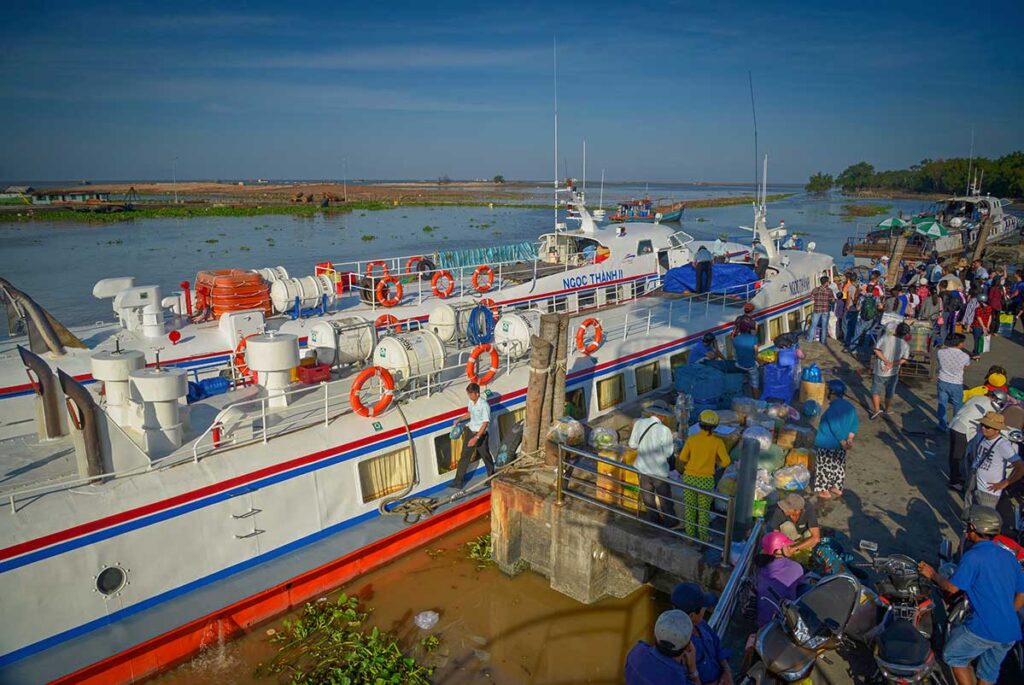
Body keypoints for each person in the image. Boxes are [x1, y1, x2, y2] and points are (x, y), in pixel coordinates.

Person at [918, 506, 1024, 685]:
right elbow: (1021, 592)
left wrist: (932, 574)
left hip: (983, 627)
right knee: (988, 672)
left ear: (975, 527)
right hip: (1010, 631)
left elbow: (952, 588)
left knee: (953, 655)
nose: (966, 531)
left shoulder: (973, 556)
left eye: (968, 526)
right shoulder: (1009, 558)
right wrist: (1007, 612)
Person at [676, 411, 731, 541]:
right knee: (703, 511)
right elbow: (726, 461)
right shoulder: (718, 442)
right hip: (706, 480)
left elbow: (683, 457)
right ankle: (703, 537)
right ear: (715, 426)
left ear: (700, 424)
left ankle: (689, 536)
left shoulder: (692, 439)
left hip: (689, 478)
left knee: (690, 508)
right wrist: (717, 464)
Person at [671, 583, 733, 685]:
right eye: (704, 607)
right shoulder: (679, 648)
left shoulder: (701, 624)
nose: (706, 609)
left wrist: (726, 671)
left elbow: (717, 646)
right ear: (691, 615)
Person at [948, 389, 1008, 490]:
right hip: (963, 429)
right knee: (957, 457)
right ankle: (954, 482)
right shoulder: (991, 408)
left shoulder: (977, 397)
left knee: (953, 454)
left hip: (954, 424)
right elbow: (993, 424)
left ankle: (955, 477)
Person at [624, 610, 699, 685]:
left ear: (654, 634)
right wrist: (693, 671)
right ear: (688, 647)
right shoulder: (678, 679)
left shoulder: (637, 652)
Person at [628, 413, 677, 527]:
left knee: (647, 496)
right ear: (663, 416)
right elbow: (668, 453)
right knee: (664, 498)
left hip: (642, 467)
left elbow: (632, 444)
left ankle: (653, 520)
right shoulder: (665, 430)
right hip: (659, 471)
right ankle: (670, 522)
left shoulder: (639, 423)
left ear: (651, 413)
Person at [813, 380, 858, 499]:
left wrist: (842, 441)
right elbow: (854, 424)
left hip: (828, 443)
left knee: (824, 466)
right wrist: (849, 439)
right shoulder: (850, 407)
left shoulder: (833, 409)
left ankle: (824, 490)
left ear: (832, 393)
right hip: (841, 445)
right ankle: (836, 487)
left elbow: (834, 426)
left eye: (828, 390)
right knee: (838, 466)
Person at [968, 412, 1023, 510]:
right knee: (969, 509)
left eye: (988, 427)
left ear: (997, 430)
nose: (983, 428)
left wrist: (1005, 483)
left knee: (984, 518)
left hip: (988, 491)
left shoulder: (1003, 446)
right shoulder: (980, 436)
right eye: (983, 425)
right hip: (974, 480)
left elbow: (1021, 468)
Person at [754, 532, 805, 627]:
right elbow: (800, 583)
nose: (790, 547)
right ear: (777, 550)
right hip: (784, 624)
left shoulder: (759, 567)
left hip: (761, 621)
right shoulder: (796, 567)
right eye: (787, 546)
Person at [451, 383, 496, 489]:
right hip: (470, 431)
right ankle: (458, 482)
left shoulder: (484, 405)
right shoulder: (471, 402)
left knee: (486, 456)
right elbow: (470, 413)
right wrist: (460, 419)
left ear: (477, 393)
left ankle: (491, 478)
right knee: (464, 457)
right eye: (468, 394)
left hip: (480, 435)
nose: (469, 397)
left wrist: (476, 438)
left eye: (471, 394)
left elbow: (485, 423)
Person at [870, 322, 910, 419]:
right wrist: (892, 364)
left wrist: (885, 361)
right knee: (890, 391)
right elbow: (904, 359)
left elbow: (876, 349)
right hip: (893, 372)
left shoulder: (885, 338)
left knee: (875, 390)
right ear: (905, 334)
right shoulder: (905, 345)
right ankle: (887, 409)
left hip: (880, 370)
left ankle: (876, 409)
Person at [767, 494, 821, 564]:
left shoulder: (808, 509)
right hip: (788, 540)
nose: (783, 508)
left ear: (797, 511)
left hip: (804, 539)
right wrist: (781, 550)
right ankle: (793, 558)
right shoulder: (779, 511)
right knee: (787, 526)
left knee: (809, 534)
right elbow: (776, 535)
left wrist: (794, 549)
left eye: (787, 508)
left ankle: (805, 557)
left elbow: (816, 538)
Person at [936, 334, 970, 432]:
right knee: (957, 406)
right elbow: (966, 367)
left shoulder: (940, 352)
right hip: (956, 383)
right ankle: (955, 427)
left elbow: (940, 361)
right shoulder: (965, 356)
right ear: (959, 344)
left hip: (942, 380)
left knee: (942, 403)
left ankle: (942, 425)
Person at [732, 328, 759, 398]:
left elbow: (734, 353)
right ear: (748, 329)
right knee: (755, 383)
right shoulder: (754, 338)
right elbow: (756, 353)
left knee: (740, 380)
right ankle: (757, 402)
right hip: (751, 365)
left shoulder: (735, 339)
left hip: (739, 365)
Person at [807, 275, 834, 344]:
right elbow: (832, 300)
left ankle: (809, 340)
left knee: (813, 325)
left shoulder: (815, 289)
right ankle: (823, 341)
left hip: (817, 310)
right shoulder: (829, 290)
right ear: (826, 282)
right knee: (824, 326)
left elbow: (811, 298)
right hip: (825, 310)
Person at [842, 272, 862, 352]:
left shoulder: (850, 287)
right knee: (853, 326)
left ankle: (846, 341)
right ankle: (852, 341)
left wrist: (846, 306)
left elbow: (848, 298)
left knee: (845, 325)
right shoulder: (859, 286)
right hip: (856, 309)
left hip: (850, 308)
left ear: (850, 279)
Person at [970, 293, 992, 360]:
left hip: (977, 326)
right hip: (985, 326)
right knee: (981, 340)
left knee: (976, 340)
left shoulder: (978, 308)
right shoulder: (989, 308)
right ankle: (976, 352)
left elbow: (979, 318)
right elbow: (990, 317)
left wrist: (983, 327)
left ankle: (976, 355)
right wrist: (987, 327)